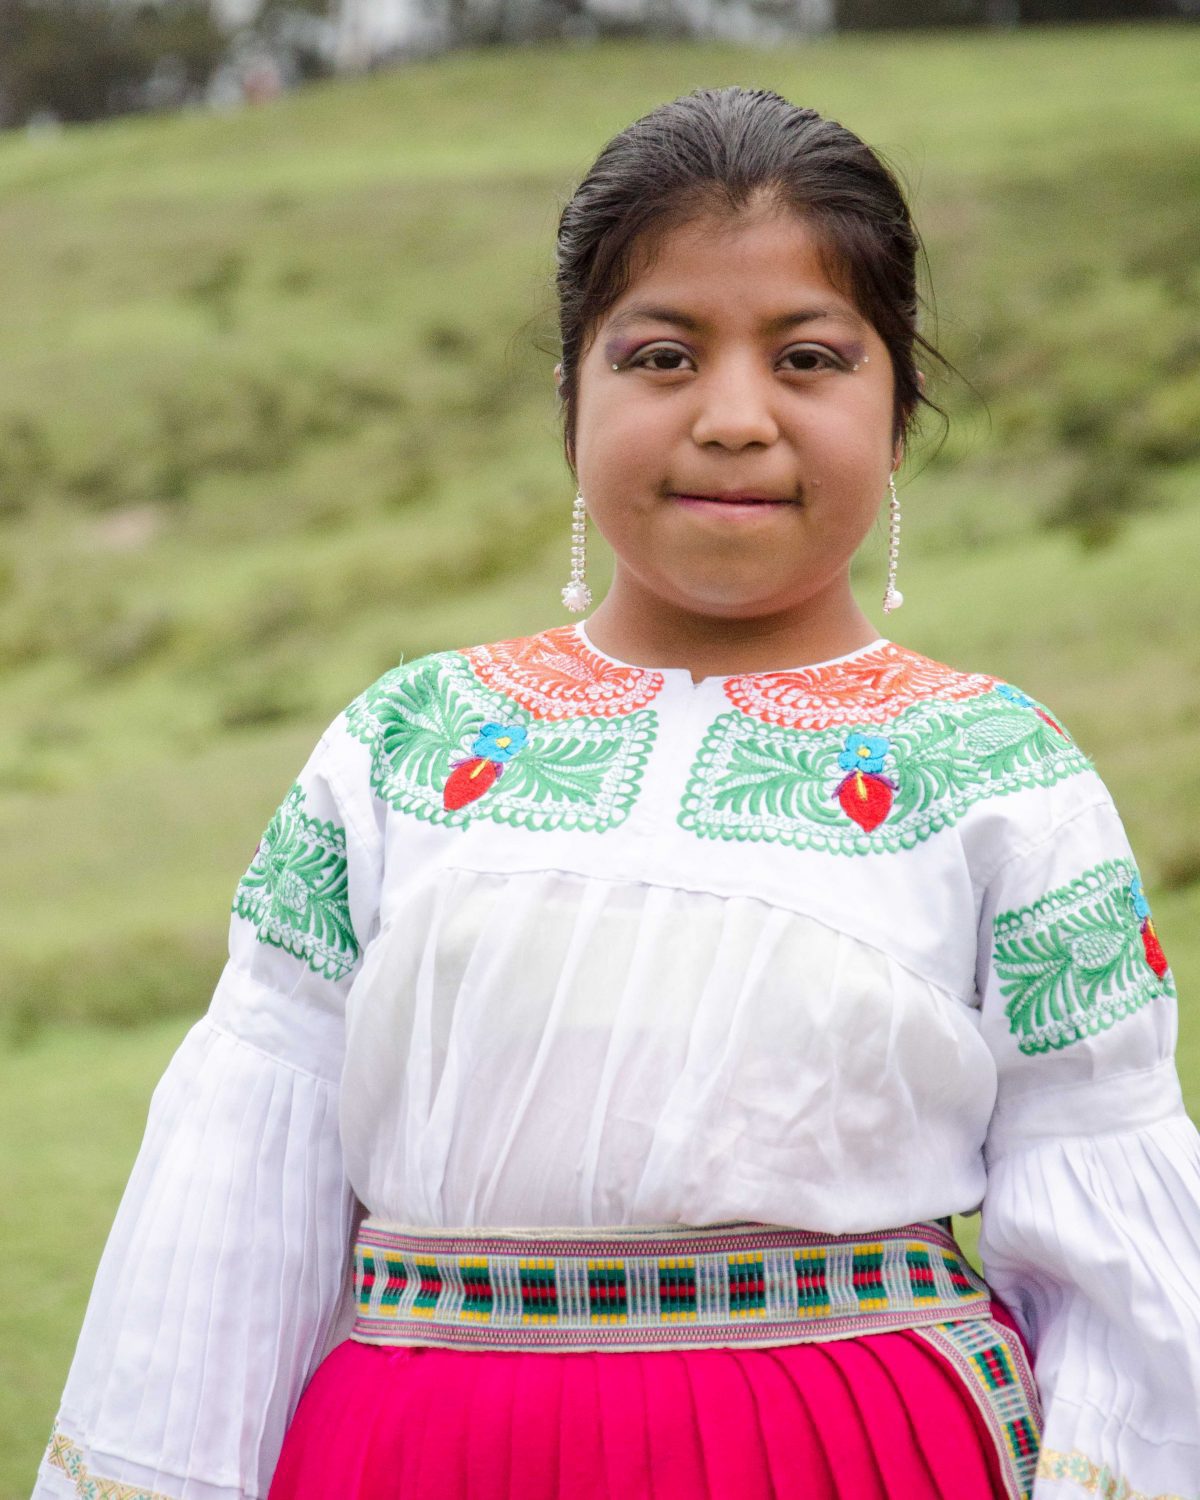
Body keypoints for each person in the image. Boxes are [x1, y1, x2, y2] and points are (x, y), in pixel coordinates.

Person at [34, 87, 1200, 1500]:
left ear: (899, 414)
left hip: (849, 1464)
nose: (731, 419)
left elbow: (1114, 1259)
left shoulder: (1005, 781)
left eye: (811, 358)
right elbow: (234, 1203)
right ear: (569, 398)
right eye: (661, 354)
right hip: (411, 1463)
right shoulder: (404, 750)